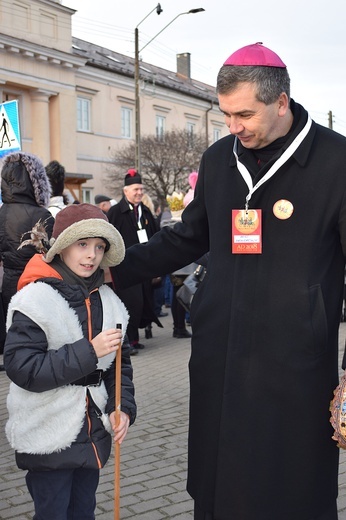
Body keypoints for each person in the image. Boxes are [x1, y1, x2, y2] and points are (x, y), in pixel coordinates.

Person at [110, 42, 346, 520]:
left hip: (297, 361)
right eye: (225, 115)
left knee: (290, 487)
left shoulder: (337, 161)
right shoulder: (221, 159)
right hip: (221, 352)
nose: (233, 127)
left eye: (244, 114)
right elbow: (187, 238)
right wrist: (114, 268)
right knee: (221, 483)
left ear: (281, 102)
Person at [3, 203, 136, 520]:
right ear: (62, 246)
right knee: (53, 513)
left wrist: (122, 407)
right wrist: (88, 352)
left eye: (99, 247)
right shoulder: (35, 299)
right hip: (48, 434)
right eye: (82, 244)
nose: (92, 255)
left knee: (83, 511)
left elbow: (121, 368)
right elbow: (24, 368)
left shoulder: (109, 301)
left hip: (91, 436)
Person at [0, 152, 54, 371]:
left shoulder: (1, 213)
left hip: (9, 281)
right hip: (36, 281)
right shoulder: (42, 213)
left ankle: (15, 365)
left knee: (14, 326)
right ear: (36, 182)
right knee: (39, 328)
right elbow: (50, 253)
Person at [108, 169, 161, 353]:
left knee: (143, 301)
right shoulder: (115, 213)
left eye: (141, 189)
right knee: (129, 303)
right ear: (126, 191)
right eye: (135, 189)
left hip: (144, 266)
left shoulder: (145, 212)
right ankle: (126, 341)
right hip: (125, 266)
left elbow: (156, 236)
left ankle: (135, 339)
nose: (139, 192)